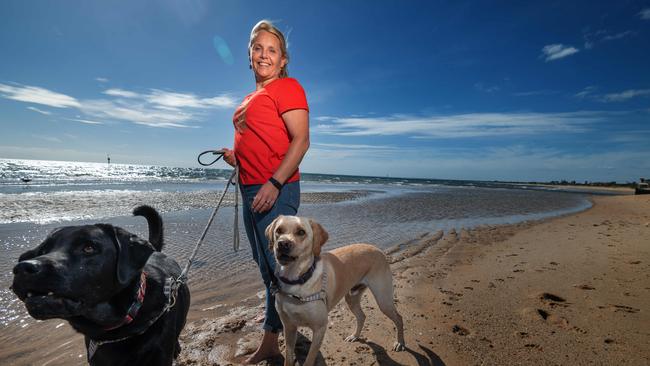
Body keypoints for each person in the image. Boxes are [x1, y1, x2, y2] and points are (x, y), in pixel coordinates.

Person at [221, 19, 309, 364]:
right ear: (249, 55)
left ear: (283, 59)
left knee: (280, 266)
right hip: (250, 185)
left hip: (276, 187)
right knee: (263, 263)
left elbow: (301, 141)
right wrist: (236, 157)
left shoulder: (287, 88)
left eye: (272, 50)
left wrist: (274, 184)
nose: (264, 55)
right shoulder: (252, 96)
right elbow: (259, 141)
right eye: (257, 48)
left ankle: (273, 340)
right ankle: (276, 316)